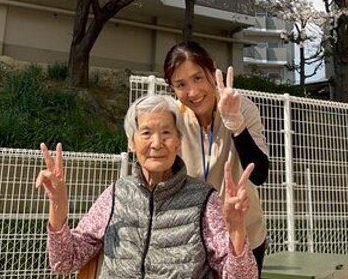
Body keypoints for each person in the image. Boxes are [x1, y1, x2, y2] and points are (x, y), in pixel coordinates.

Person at [35, 94, 259, 279]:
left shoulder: (204, 199)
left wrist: (236, 230)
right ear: (131, 143)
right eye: (146, 133)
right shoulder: (116, 194)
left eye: (166, 133)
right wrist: (58, 206)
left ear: (178, 142)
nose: (157, 143)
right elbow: (64, 261)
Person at [163, 41, 269, 275]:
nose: (193, 92)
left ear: (212, 71)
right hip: (193, 239)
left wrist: (236, 124)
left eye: (198, 78)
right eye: (181, 84)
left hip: (243, 235)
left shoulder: (242, 108)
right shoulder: (173, 119)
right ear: (172, 88)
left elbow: (260, 174)